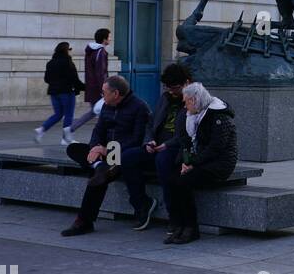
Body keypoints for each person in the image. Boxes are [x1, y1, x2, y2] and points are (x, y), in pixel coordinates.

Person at [60, 76, 152, 236]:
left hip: (122, 153)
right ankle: (101, 166)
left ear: (115, 93)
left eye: (104, 93)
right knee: (73, 148)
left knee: (99, 177)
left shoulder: (139, 107)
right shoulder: (107, 106)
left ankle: (84, 221)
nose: (102, 96)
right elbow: (98, 130)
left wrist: (107, 151)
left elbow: (136, 140)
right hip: (104, 154)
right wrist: (95, 147)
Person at [120, 63, 193, 231]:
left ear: (187, 83)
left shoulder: (194, 100)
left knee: (163, 162)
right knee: (127, 157)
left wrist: (167, 145)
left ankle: (173, 215)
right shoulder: (165, 98)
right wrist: (149, 141)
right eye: (168, 88)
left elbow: (189, 133)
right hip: (158, 144)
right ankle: (141, 205)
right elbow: (151, 124)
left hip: (177, 147)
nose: (171, 91)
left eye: (175, 88)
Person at [163, 82, 238, 245]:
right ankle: (178, 224)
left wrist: (193, 164)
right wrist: (186, 161)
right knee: (170, 179)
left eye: (186, 101)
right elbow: (187, 141)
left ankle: (191, 228)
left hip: (219, 163)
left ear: (195, 100)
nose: (184, 104)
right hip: (200, 161)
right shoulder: (192, 114)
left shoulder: (219, 115)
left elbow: (216, 148)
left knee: (183, 182)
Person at [34, 42, 84, 146]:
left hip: (53, 92)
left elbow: (46, 79)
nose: (71, 51)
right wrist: (85, 87)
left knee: (58, 114)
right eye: (70, 49)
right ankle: (66, 139)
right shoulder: (68, 62)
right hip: (66, 92)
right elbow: (74, 79)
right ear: (66, 50)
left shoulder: (51, 62)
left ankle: (41, 129)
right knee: (68, 114)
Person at [71, 28, 111, 131]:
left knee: (95, 112)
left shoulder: (92, 51)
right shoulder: (100, 52)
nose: (110, 39)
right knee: (107, 113)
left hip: (92, 87)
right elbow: (100, 73)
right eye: (109, 37)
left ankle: (71, 129)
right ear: (104, 39)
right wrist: (104, 89)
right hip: (98, 89)